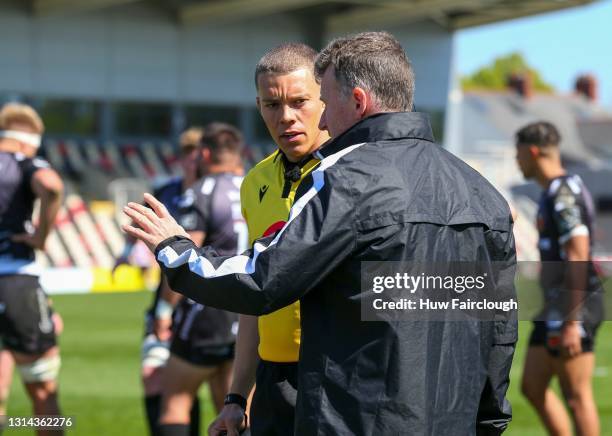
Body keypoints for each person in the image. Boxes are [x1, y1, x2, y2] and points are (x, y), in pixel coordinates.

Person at [123, 31, 517, 435]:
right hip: (430, 410)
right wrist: (489, 419)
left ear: (358, 101)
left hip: (347, 402)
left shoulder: (349, 180)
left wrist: (176, 250)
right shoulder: (483, 193)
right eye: (272, 105)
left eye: (316, 102)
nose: (314, 119)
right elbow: (497, 326)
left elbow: (261, 280)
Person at [208, 43, 329, 436]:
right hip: (273, 382)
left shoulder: (355, 175)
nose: (286, 117)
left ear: (326, 98)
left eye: (300, 101)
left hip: (338, 378)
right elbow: (255, 295)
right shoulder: (255, 181)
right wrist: (236, 398)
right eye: (272, 105)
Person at [116, 127, 206, 436]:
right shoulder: (167, 191)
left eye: (200, 156)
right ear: (183, 158)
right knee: (153, 375)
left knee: (202, 384)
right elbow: (136, 224)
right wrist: (125, 252)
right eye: (189, 155)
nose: (194, 163)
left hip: (206, 300)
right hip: (165, 294)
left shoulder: (213, 195)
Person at [158, 122, 245, 436]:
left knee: (175, 403)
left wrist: (163, 311)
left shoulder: (202, 191)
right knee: (233, 406)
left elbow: (186, 256)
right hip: (249, 308)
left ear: (204, 153)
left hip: (206, 310)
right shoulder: (256, 185)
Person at [516, 121, 602, 436]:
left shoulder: (563, 192)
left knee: (577, 397)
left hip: (574, 306)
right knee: (532, 386)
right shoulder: (551, 192)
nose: (517, 161)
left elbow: (578, 254)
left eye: (519, 154)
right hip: (552, 307)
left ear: (533, 151)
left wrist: (570, 323)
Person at [0, 103, 64, 436]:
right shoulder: (24, 161)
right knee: (42, 388)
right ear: (29, 141)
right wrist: (40, 236)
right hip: (15, 282)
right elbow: (52, 187)